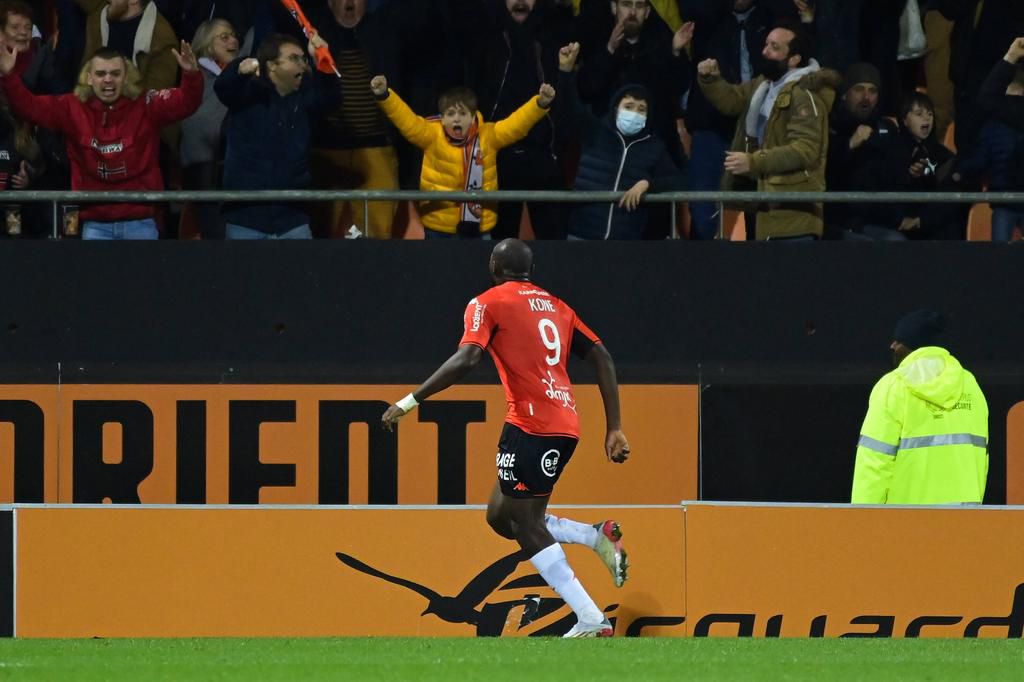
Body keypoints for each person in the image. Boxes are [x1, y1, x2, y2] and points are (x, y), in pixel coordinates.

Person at [381, 238, 631, 638]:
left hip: (536, 426)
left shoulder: (487, 302)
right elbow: (602, 355)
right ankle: (591, 534)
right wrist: (614, 425)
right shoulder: (557, 305)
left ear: (494, 266)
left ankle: (589, 616)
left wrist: (411, 400)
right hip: (555, 421)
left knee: (525, 522)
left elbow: (467, 357)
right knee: (500, 516)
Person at [0, 42, 202, 239]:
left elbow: (185, 103)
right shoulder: (71, 108)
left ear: (125, 78)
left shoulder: (146, 105)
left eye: (115, 74)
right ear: (88, 78)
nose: (108, 80)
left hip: (140, 222)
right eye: (100, 74)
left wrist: (191, 76)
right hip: (95, 224)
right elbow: (29, 107)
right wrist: (9, 76)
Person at [698, 20, 841, 240]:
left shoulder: (805, 95)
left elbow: (805, 150)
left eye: (775, 47)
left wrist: (754, 161)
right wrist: (711, 79)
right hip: (764, 203)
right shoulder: (764, 85)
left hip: (793, 216)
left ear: (794, 59)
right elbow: (732, 100)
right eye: (766, 44)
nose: (765, 51)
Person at [370, 75, 554, 239]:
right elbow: (406, 120)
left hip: (480, 228)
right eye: (450, 114)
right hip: (438, 227)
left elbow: (517, 125)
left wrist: (539, 104)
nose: (456, 119)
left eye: (463, 114)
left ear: (473, 116)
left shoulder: (489, 136)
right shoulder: (431, 134)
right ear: (442, 118)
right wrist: (385, 96)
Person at [852, 309, 988, 504]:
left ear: (911, 345)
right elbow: (981, 458)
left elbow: (874, 461)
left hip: (907, 522)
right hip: (963, 520)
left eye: (898, 341)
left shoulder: (893, 386)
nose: (892, 346)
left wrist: (861, 518)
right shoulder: (970, 384)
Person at [216, 32, 342, 239]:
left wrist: (323, 60)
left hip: (292, 218)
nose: (302, 64)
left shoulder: (304, 100)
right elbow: (223, 88)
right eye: (293, 58)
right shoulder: (248, 94)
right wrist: (238, 68)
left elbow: (331, 99)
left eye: (303, 58)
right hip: (245, 219)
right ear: (272, 65)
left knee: (299, 273)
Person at [557, 41, 682, 240]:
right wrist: (565, 72)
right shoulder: (595, 131)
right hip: (581, 235)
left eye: (642, 110)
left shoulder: (654, 147)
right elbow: (568, 107)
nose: (635, 113)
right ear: (616, 109)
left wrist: (647, 184)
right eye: (629, 106)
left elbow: (677, 181)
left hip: (625, 242)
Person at [824, 62, 901, 240]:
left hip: (878, 221)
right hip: (838, 221)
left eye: (872, 91)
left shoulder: (886, 128)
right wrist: (849, 145)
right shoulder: (830, 128)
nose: (866, 97)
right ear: (844, 94)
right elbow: (825, 174)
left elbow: (897, 175)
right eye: (859, 89)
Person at [179, 18, 238, 239]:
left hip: (230, 174)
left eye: (233, 35)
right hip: (204, 173)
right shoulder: (197, 78)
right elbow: (197, 123)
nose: (233, 41)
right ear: (207, 45)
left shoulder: (236, 76)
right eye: (224, 37)